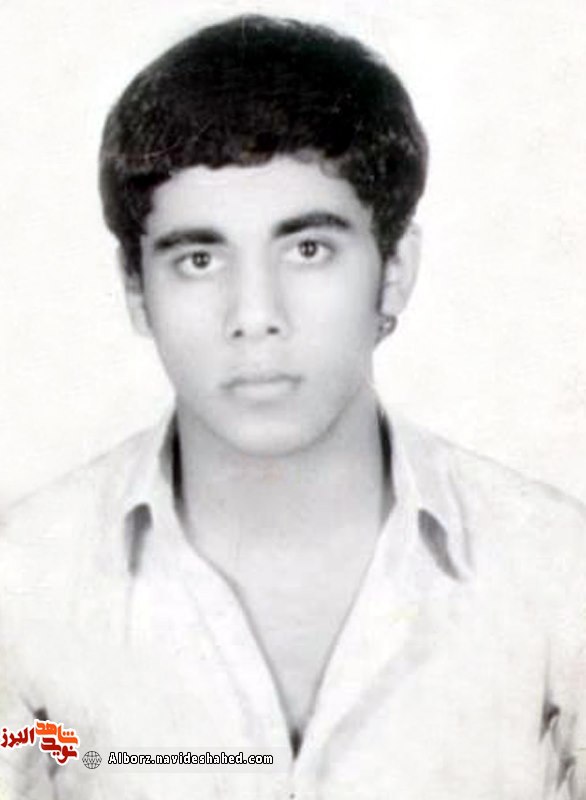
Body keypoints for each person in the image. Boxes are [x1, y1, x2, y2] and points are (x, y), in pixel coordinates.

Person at [1, 14, 585, 800]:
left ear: (394, 271)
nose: (255, 314)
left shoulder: (559, 573)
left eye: (308, 249)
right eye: (198, 258)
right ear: (136, 289)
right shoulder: (21, 583)